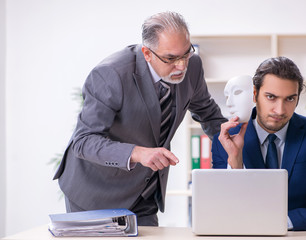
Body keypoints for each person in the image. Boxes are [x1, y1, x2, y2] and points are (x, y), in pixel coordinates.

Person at [53, 11, 226, 226]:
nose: (181, 65)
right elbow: (84, 141)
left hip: (144, 192)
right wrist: (137, 153)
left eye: (186, 53)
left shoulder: (193, 67)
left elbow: (208, 113)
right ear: (147, 53)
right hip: (95, 193)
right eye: (171, 58)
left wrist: (233, 141)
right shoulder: (111, 75)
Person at [211, 56, 306, 230]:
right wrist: (235, 161)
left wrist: (280, 222)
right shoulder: (224, 140)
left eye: (290, 99)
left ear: (298, 98)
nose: (280, 110)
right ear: (255, 94)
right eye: (271, 97)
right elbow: (223, 210)